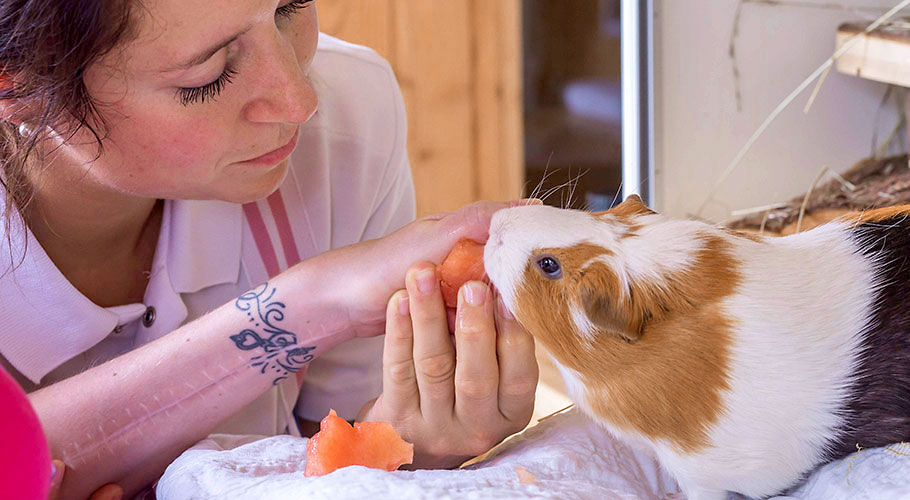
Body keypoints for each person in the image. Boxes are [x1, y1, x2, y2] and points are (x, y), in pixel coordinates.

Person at [0, 1, 540, 499]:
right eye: (207, 76)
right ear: (14, 89)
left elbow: (325, 452)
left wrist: (405, 451)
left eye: (290, 7)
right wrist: (313, 304)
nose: (300, 101)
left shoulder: (347, 120)